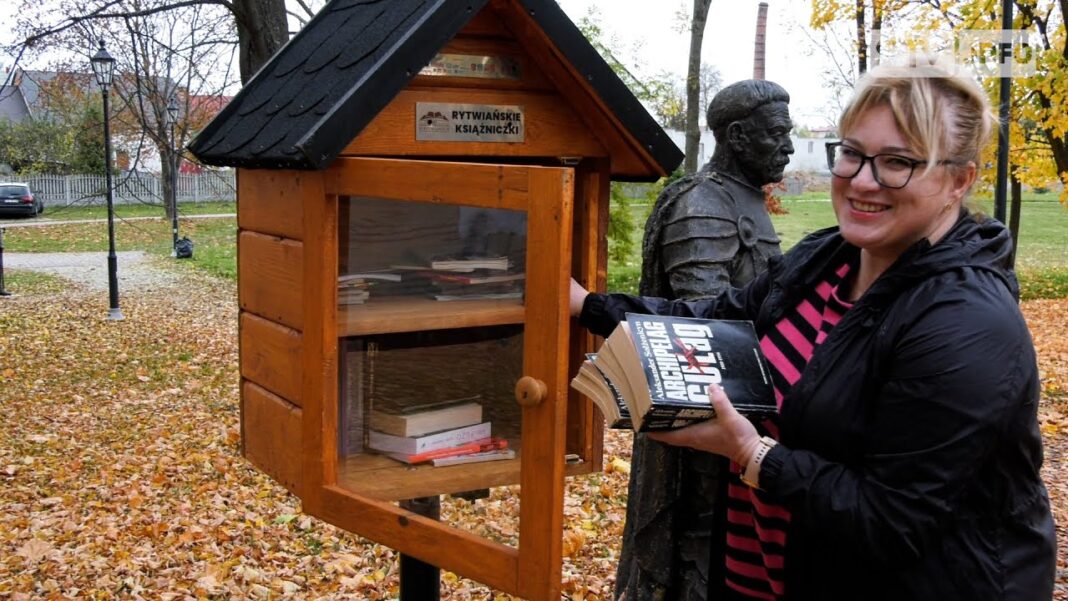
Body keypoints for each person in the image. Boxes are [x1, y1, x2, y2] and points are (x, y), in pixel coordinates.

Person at [572, 57, 1056, 600]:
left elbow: (892, 520)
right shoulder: (829, 256)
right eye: (851, 153)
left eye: (897, 163)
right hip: (768, 568)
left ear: (958, 180)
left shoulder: (965, 324)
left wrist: (753, 455)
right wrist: (587, 305)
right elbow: (722, 315)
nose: (861, 181)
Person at [618, 79, 793, 601]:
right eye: (776, 134)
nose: (787, 146)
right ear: (737, 136)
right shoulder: (704, 206)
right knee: (699, 551)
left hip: (750, 420)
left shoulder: (744, 196)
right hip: (710, 426)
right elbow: (703, 327)